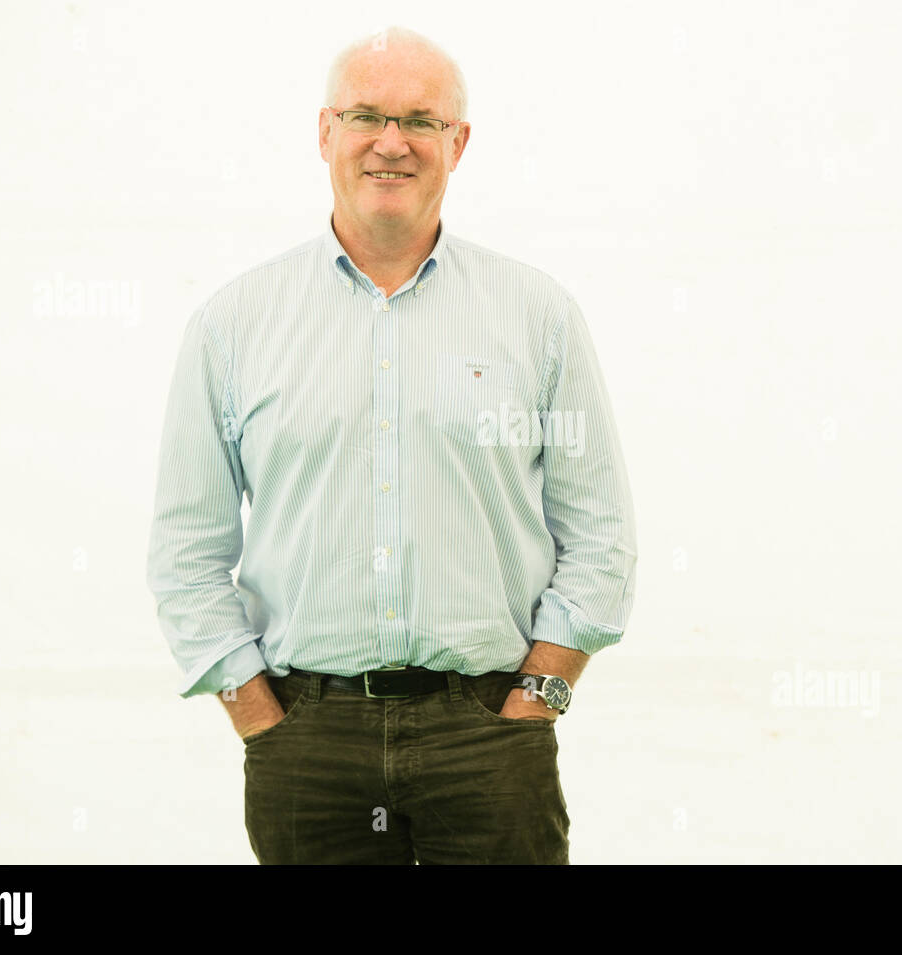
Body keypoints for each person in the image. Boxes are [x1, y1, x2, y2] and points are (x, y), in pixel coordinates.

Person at [144, 25, 637, 865]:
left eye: (420, 120)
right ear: (325, 132)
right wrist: (259, 716)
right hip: (307, 742)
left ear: (459, 142)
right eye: (367, 115)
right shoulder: (233, 326)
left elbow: (601, 537)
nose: (391, 142)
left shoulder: (539, 317)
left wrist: (536, 699)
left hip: (489, 736)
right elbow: (186, 549)